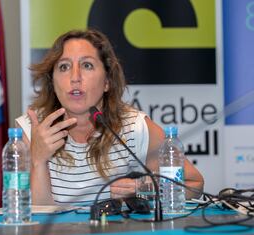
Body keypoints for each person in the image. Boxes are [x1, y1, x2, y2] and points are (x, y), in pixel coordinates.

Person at [16, 29, 204, 206]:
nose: (75, 77)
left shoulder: (133, 127)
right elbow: (34, 220)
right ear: (52, 81)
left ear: (107, 82)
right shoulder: (33, 129)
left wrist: (145, 189)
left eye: (87, 65)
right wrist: (38, 160)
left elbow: (194, 185)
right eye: (64, 67)